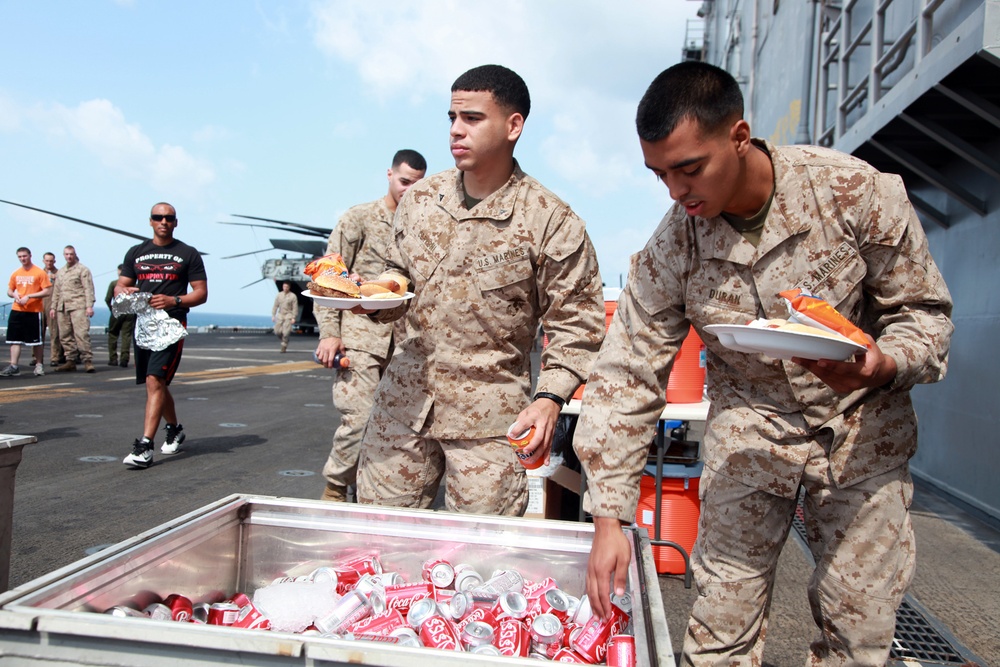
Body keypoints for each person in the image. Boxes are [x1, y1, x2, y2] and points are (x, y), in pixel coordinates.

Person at [573, 61, 954, 666]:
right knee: (718, 635)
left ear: (740, 136)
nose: (676, 191)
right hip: (750, 436)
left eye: (689, 168)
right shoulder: (674, 245)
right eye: (660, 174)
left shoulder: (855, 194)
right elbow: (626, 374)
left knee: (858, 639)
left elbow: (926, 317)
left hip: (862, 437)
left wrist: (884, 364)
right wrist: (609, 516)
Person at [347, 65, 606, 515]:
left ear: (513, 126)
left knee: (480, 559)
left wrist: (549, 399)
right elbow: (396, 275)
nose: (455, 130)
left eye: (472, 118)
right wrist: (375, 296)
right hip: (401, 410)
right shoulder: (420, 201)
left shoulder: (551, 220)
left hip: (487, 422)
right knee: (379, 540)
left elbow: (577, 324)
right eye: (451, 117)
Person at [314, 149, 427, 502]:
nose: (410, 190)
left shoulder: (422, 228)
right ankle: (335, 488)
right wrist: (330, 333)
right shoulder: (359, 218)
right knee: (359, 419)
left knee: (400, 430)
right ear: (390, 175)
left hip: (407, 343)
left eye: (418, 184)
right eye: (405, 181)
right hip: (361, 338)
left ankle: (372, 498)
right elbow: (328, 275)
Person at [116, 202, 208, 468]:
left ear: (175, 222)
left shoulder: (187, 253)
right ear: (150, 221)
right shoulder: (136, 252)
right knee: (155, 383)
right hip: (144, 326)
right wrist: (123, 292)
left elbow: (200, 294)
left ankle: (145, 446)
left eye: (169, 218)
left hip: (171, 326)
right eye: (158, 217)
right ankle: (174, 429)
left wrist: (174, 301)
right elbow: (121, 286)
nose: (163, 221)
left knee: (155, 380)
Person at [2, 247, 52, 377]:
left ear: (30, 255)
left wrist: (29, 296)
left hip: (33, 311)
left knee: (36, 341)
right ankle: (14, 365)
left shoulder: (39, 273)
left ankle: (39, 365)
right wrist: (14, 295)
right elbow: (9, 290)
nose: (22, 259)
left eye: (24, 256)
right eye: (20, 257)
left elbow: (47, 291)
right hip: (17, 310)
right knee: (14, 340)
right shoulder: (16, 273)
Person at [50, 245, 96, 373]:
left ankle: (87, 360)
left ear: (75, 254)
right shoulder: (61, 272)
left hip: (78, 306)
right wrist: (53, 307)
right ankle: (70, 360)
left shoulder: (83, 270)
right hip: (62, 306)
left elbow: (88, 288)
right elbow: (56, 291)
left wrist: (89, 306)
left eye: (71, 254)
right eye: (66, 254)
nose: (69, 256)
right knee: (64, 335)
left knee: (81, 334)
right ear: (63, 255)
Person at [105, 264, 135, 367]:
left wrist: (112, 309)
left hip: (117, 311)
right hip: (129, 311)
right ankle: (124, 359)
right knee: (126, 336)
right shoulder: (134, 285)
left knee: (113, 334)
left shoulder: (114, 284)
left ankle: (113, 359)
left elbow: (108, 299)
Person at [41, 251, 65, 367]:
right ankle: (36, 357)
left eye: (51, 261)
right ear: (43, 261)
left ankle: (55, 357)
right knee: (38, 334)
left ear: (54, 261)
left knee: (54, 333)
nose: (49, 263)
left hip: (53, 305)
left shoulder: (60, 273)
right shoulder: (39, 273)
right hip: (39, 305)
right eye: (47, 261)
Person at [271, 282, 298, 353]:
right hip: (280, 315)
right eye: (284, 286)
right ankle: (284, 340)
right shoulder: (279, 295)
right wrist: (273, 315)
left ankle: (284, 345)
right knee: (277, 331)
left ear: (289, 287)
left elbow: (295, 308)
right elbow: (275, 306)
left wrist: (293, 317)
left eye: (287, 287)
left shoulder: (293, 296)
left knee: (286, 333)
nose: (285, 288)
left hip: (288, 315)